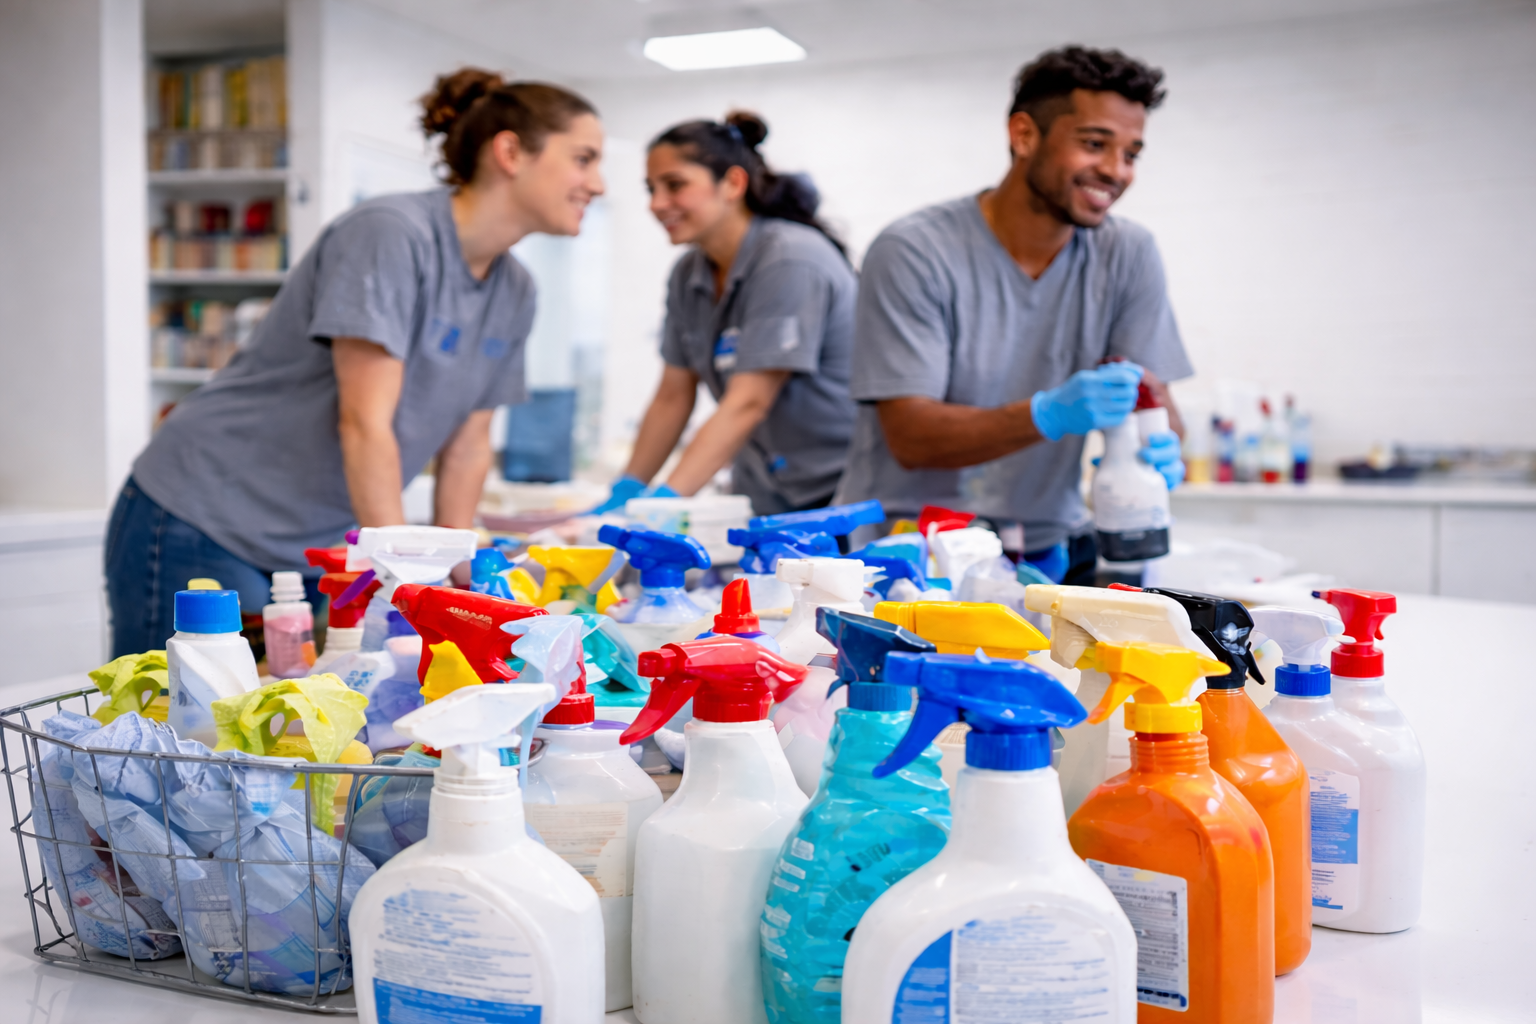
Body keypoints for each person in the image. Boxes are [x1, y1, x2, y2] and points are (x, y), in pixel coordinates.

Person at [108, 68, 605, 656]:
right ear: (510, 152)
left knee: (294, 723)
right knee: (180, 730)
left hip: (315, 541)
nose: (596, 184)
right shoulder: (391, 233)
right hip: (208, 511)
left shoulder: (515, 289)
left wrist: (458, 576)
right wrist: (408, 584)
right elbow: (365, 423)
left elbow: (469, 446)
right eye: (583, 158)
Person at [834, 46, 1191, 584]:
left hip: (1045, 547)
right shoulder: (915, 250)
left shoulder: (1128, 254)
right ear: (1024, 135)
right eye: (1095, 144)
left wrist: (1157, 444)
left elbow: (1152, 397)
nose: (1116, 171)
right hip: (910, 553)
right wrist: (1048, 414)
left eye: (1131, 153)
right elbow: (912, 437)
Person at [593, 112, 858, 518]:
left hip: (839, 491)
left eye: (675, 185)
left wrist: (666, 504)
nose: (657, 204)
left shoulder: (790, 259)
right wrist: (627, 489)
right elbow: (672, 396)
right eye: (651, 189)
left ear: (733, 183)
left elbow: (748, 402)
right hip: (766, 491)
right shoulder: (689, 274)